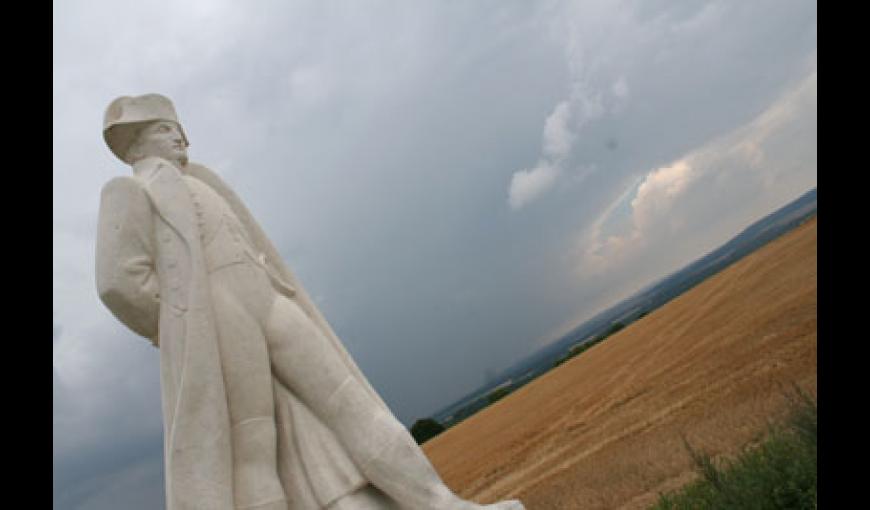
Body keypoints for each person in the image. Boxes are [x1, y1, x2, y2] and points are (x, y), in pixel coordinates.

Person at [96, 93, 526, 510]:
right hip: (219, 316)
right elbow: (118, 283)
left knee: (352, 403)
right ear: (138, 141)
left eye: (181, 131)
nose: (182, 141)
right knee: (255, 445)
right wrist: (183, 326)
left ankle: (440, 505)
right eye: (168, 130)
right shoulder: (129, 191)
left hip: (266, 298)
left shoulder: (203, 181)